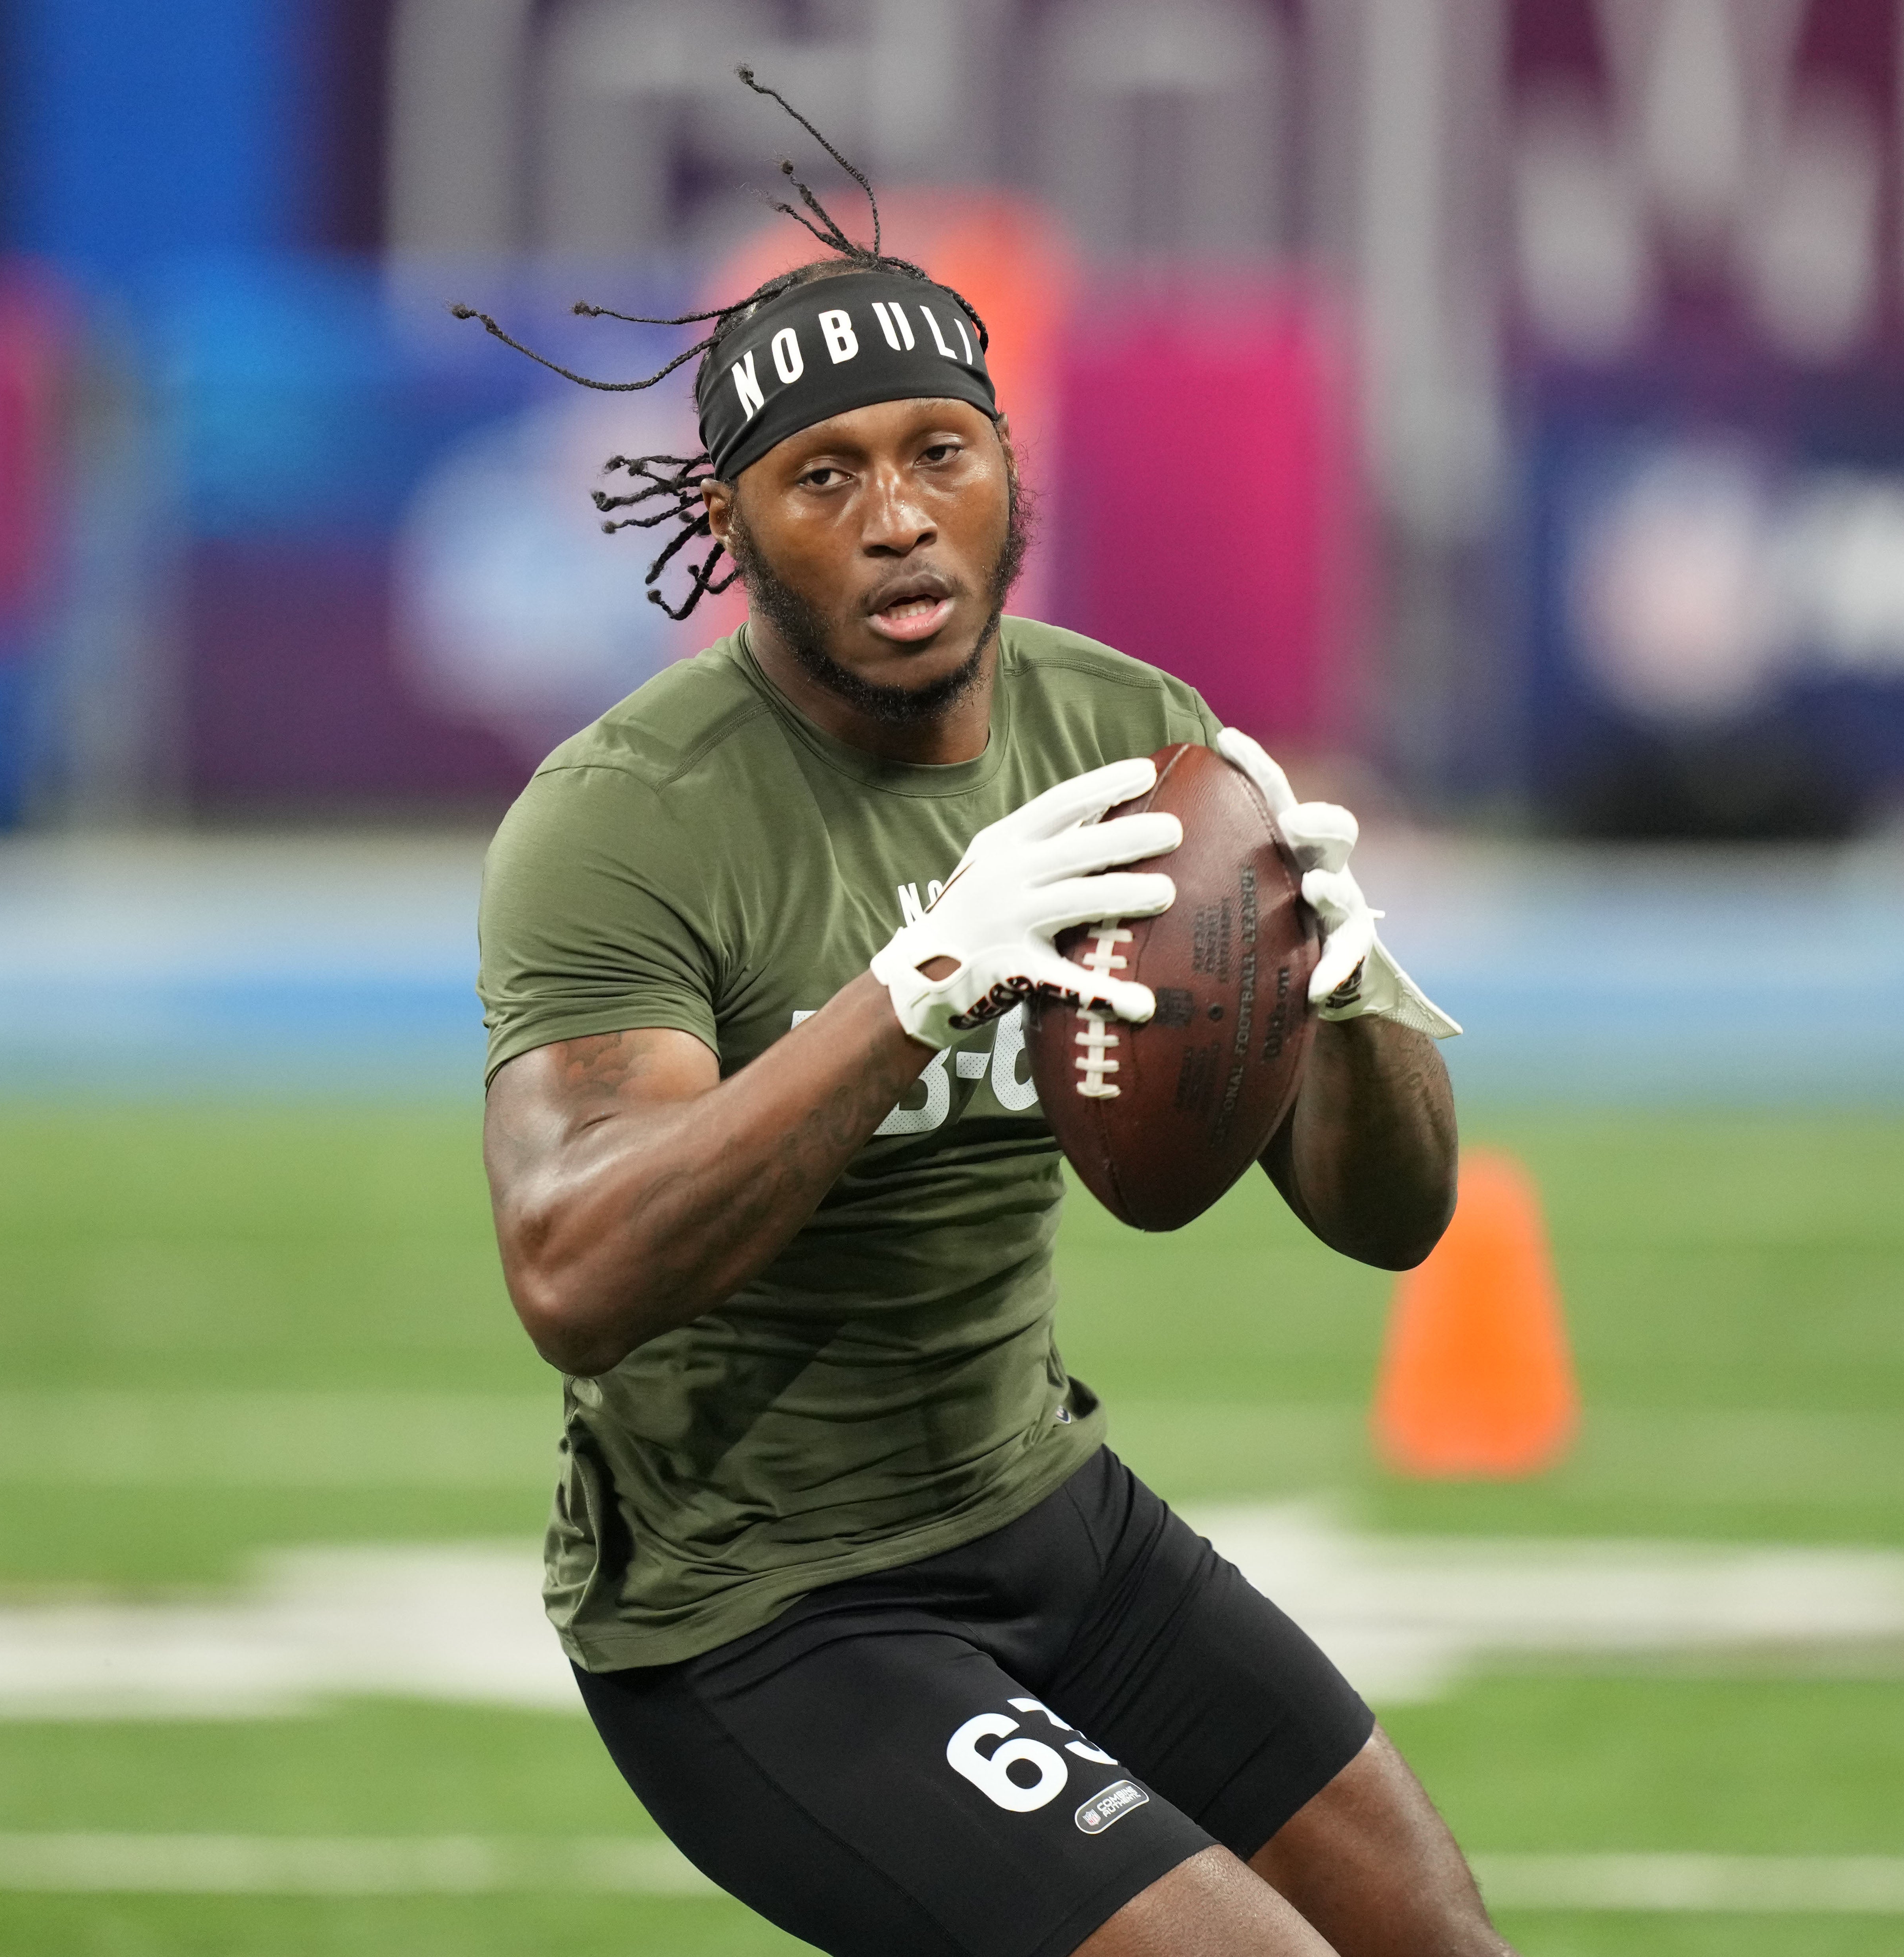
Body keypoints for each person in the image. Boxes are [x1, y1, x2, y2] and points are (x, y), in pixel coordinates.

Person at [472, 72, 1510, 1957]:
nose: (896, 520)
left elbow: (1391, 1219)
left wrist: (1343, 990)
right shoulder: (623, 815)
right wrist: (921, 980)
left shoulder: (1129, 737)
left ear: (1011, 470)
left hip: (1047, 1512)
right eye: (825, 474)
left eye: (939, 451)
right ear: (732, 522)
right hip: (767, 1608)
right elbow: (570, 1265)